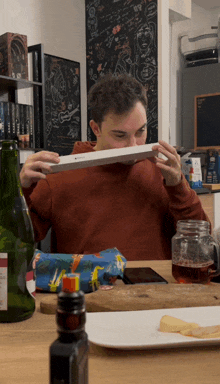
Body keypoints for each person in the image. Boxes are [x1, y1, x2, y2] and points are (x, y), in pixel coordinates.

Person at [20, 73, 209, 261]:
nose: (133, 145)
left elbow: (201, 244)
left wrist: (178, 187)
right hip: (88, 287)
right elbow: (18, 240)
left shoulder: (162, 170)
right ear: (96, 129)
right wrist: (21, 190)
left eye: (141, 131)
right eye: (120, 135)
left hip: (156, 287)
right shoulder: (58, 175)